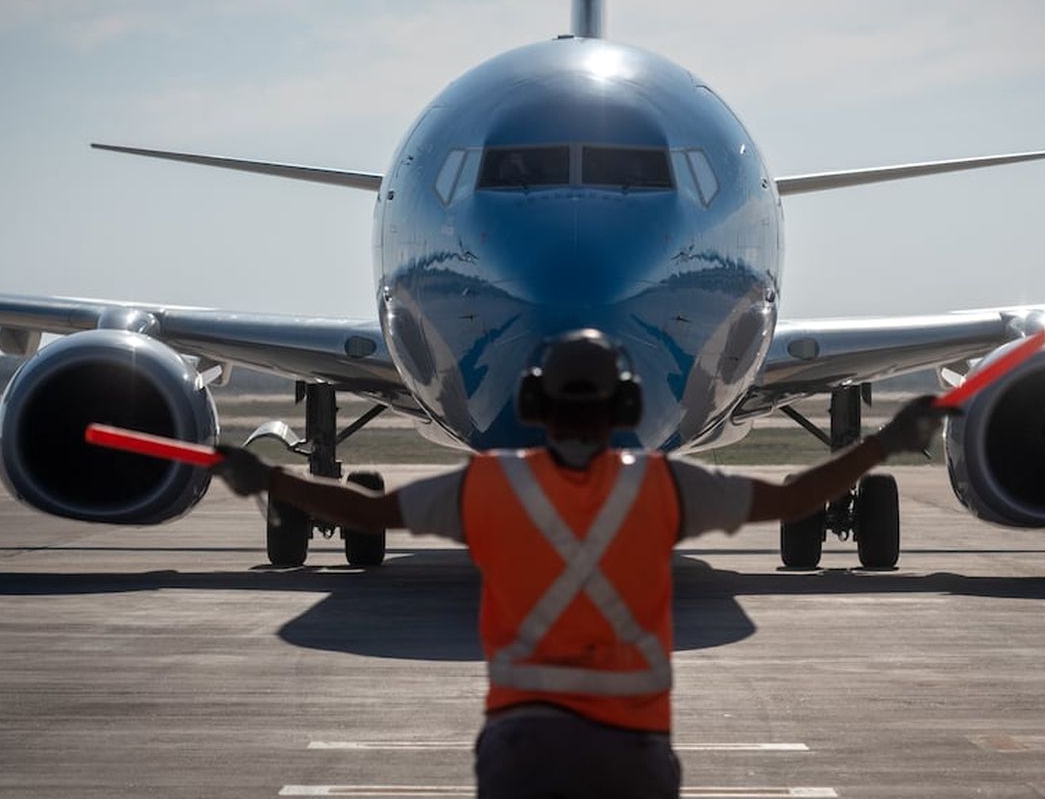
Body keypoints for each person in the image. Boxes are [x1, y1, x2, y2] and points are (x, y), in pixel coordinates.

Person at [213, 328, 954, 799]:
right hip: (631, 753)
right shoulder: (663, 487)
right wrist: (882, 444)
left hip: (522, 750)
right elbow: (796, 499)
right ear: (625, 404)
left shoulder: (490, 486)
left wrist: (271, 478)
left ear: (533, 402)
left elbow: (367, 513)